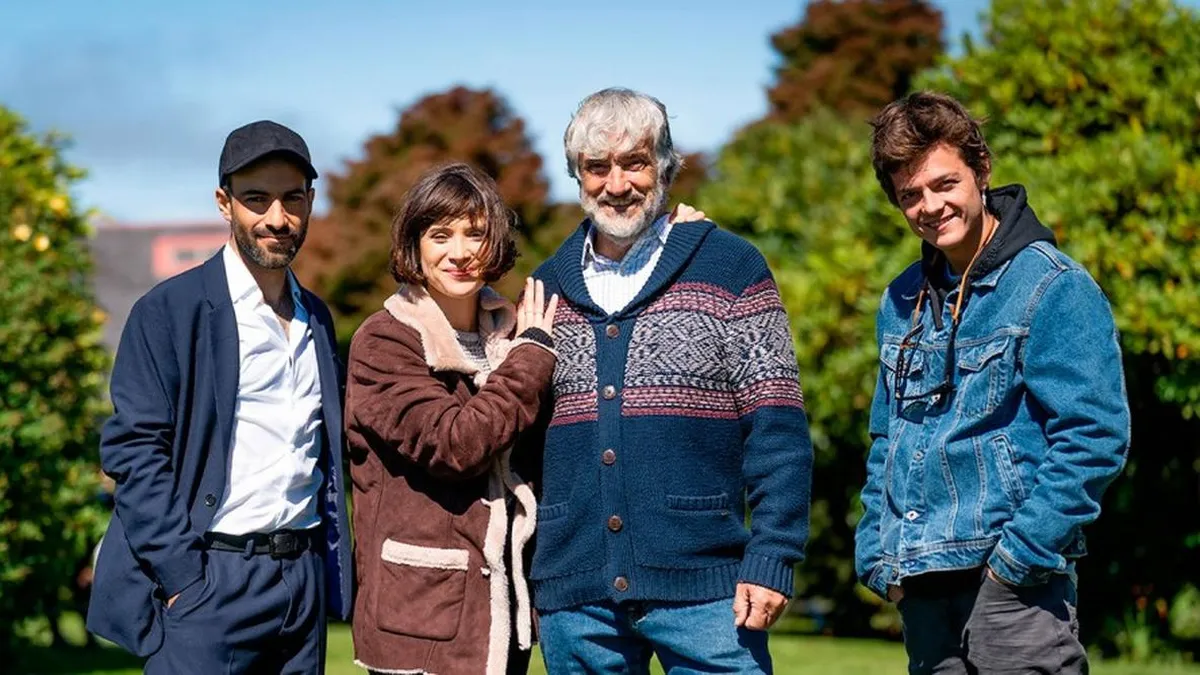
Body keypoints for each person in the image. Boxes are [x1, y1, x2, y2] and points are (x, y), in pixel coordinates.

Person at [530, 87, 814, 674]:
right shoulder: (544, 288)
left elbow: (778, 427)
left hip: (709, 591)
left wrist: (773, 556)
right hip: (576, 596)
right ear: (576, 176)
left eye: (634, 162)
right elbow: (523, 443)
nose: (616, 184)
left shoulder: (730, 267)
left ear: (664, 166)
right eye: (597, 167)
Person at [853, 91, 1131, 674]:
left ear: (981, 171)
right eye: (910, 195)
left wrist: (1016, 561)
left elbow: (1094, 437)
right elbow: (886, 439)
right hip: (920, 585)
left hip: (1013, 590)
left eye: (944, 184)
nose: (931, 206)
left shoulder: (1052, 287)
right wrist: (877, 555)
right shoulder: (900, 300)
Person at [87, 120, 353, 674]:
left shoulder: (317, 318)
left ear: (310, 201)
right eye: (256, 199)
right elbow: (134, 451)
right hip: (210, 580)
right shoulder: (169, 311)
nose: (277, 218)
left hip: (301, 581)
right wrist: (183, 577)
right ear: (223, 203)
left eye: (292, 198)